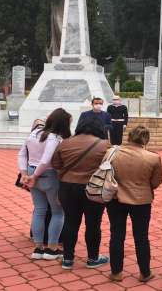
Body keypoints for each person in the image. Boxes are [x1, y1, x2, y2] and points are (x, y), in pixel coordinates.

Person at [52, 116, 111, 270]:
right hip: (93, 188)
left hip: (67, 187)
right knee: (93, 224)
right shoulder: (104, 145)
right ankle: (93, 258)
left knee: (70, 222)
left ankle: (68, 258)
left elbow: (55, 164)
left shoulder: (65, 142)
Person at [107, 126, 162, 283]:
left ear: (129, 137)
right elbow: (156, 181)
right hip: (142, 200)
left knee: (117, 235)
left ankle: (116, 272)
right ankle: (145, 273)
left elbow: (106, 173)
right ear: (147, 139)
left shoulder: (112, 153)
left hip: (116, 198)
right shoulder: (153, 157)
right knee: (141, 237)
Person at [18, 110, 71, 260]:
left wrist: (25, 174)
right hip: (48, 175)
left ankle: (38, 247)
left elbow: (22, 153)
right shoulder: (54, 138)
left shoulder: (34, 133)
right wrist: (34, 176)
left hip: (31, 170)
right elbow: (46, 159)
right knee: (57, 211)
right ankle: (52, 248)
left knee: (39, 210)